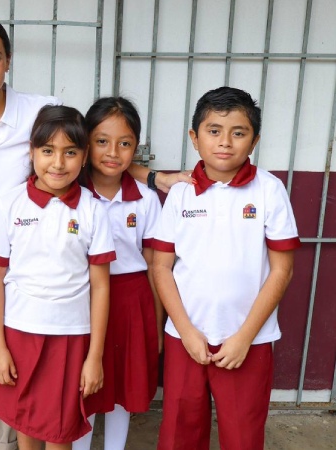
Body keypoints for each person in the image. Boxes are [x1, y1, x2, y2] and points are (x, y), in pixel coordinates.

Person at [0, 16, 190, 450]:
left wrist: (150, 176)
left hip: (45, 249)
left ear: (8, 60)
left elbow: (94, 147)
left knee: (26, 373)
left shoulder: (39, 110)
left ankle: (8, 445)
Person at [152, 86, 300, 450]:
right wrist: (186, 331)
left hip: (247, 340)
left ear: (254, 141)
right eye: (214, 130)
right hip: (186, 338)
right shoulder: (180, 193)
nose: (225, 142)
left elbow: (282, 271)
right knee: (180, 433)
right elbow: (161, 267)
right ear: (194, 138)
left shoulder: (269, 190)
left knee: (243, 434)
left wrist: (244, 337)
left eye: (238, 132)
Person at [0, 105, 114, 449]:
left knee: (59, 430)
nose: (58, 163)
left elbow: (100, 286)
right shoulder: (11, 203)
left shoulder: (93, 210)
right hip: (19, 333)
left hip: (70, 337)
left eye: (70, 152)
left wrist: (94, 357)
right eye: (48, 151)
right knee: (26, 421)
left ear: (84, 157)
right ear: (32, 152)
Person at [73, 98, 163, 450]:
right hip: (80, 297)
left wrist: (155, 322)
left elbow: (155, 265)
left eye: (125, 143)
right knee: (83, 383)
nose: (113, 152)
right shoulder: (71, 191)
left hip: (130, 301)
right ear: (86, 142)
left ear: (136, 147)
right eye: (101, 141)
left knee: (125, 384)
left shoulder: (145, 199)